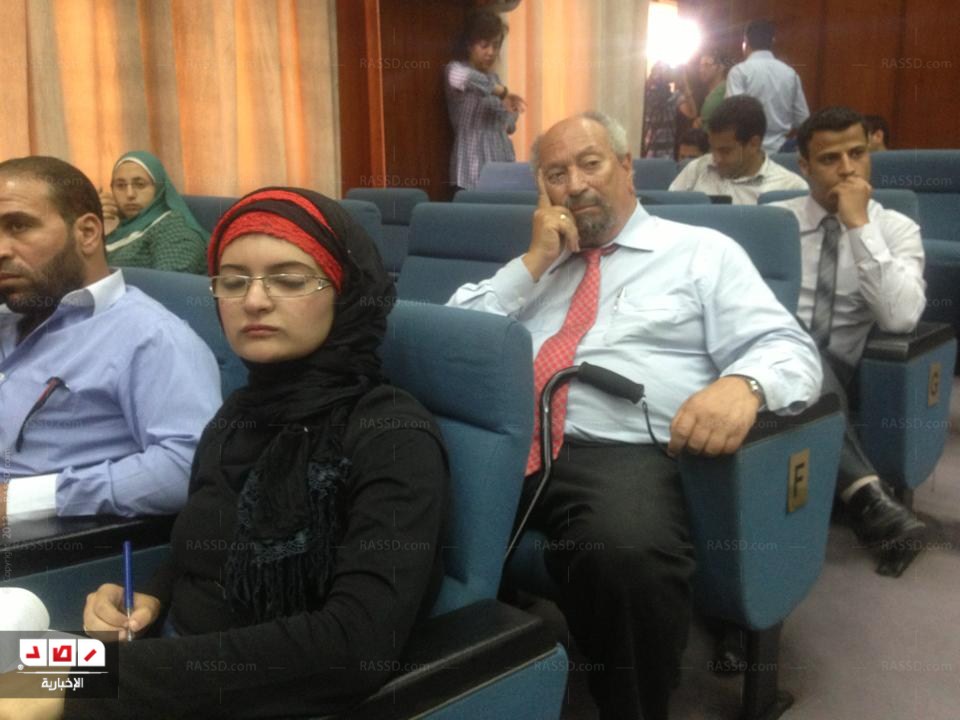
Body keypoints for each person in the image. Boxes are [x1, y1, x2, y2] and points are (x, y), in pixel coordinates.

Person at [0, 188, 449, 719]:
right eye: (233, 282)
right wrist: (147, 594)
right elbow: (202, 547)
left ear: (345, 291)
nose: (254, 301)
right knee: (7, 666)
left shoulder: (391, 434)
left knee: (19, 690)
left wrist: (79, 682)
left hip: (229, 692)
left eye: (289, 279)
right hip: (160, 659)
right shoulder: (240, 411)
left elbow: (352, 646)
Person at [448, 112, 822, 720]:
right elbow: (454, 337)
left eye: (590, 163)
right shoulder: (540, 266)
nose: (575, 185)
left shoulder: (701, 253)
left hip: (613, 451)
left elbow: (789, 349)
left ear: (626, 167)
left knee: (626, 557)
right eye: (556, 174)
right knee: (386, 495)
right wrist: (533, 262)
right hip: (504, 439)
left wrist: (745, 384)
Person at [0, 156, 220, 520]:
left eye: (19, 226)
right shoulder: (10, 315)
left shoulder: (150, 336)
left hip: (42, 539)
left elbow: (188, 465)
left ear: (87, 233)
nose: (2, 249)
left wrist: (21, 500)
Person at [770, 106, 927, 576]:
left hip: (846, 372)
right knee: (785, 344)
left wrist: (860, 227)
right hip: (767, 359)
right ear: (803, 166)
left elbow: (900, 317)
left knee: (798, 351)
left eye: (857, 153)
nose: (847, 169)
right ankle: (869, 498)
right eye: (829, 159)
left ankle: (861, 496)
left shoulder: (896, 229)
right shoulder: (774, 222)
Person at [669, 95, 808, 203]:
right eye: (713, 149)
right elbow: (667, 217)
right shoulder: (696, 169)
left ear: (753, 144)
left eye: (725, 151)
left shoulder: (790, 188)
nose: (716, 158)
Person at [444, 9, 525, 191]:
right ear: (469, 45)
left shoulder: (494, 79)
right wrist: (502, 92)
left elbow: (508, 127)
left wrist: (512, 110)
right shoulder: (455, 70)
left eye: (496, 46)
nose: (491, 52)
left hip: (501, 162)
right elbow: (470, 79)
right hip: (471, 167)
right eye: (484, 45)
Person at [100, 151, 209, 274]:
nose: (130, 194)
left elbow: (169, 283)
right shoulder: (116, 228)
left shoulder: (173, 228)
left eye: (140, 185)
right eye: (120, 185)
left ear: (158, 188)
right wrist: (92, 224)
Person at [726, 19, 809, 153]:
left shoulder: (739, 71)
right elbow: (803, 120)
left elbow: (732, 115)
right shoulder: (790, 73)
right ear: (772, 41)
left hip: (747, 150)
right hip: (782, 151)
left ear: (745, 42)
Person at [641, 62, 696, 159]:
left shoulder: (674, 97)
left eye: (664, 71)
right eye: (658, 71)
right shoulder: (645, 96)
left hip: (667, 155)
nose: (660, 75)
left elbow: (692, 113)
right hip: (647, 154)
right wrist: (649, 82)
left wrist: (684, 83)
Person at [694, 48, 729, 130]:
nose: (701, 70)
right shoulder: (703, 92)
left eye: (707, 65)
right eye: (700, 66)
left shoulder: (726, 90)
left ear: (721, 67)